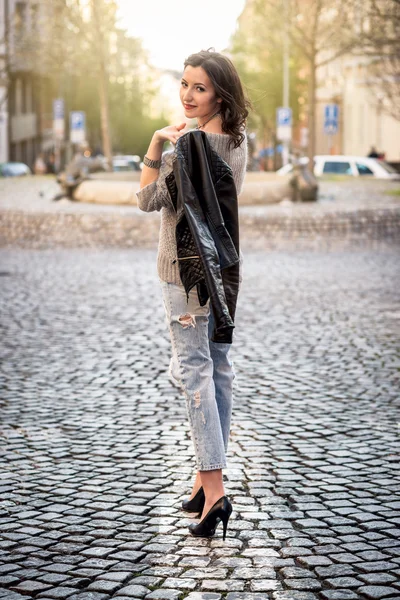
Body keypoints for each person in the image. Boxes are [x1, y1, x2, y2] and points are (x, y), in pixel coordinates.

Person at [136, 49, 250, 540]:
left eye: (199, 88)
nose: (187, 94)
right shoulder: (238, 140)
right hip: (223, 273)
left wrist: (156, 142)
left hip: (183, 274)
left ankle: (215, 487)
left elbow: (146, 200)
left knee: (194, 374)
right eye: (184, 84)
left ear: (219, 93)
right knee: (216, 369)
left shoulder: (189, 145)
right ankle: (204, 484)